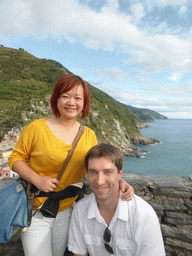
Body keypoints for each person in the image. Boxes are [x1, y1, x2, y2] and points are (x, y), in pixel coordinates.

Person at [8, 74, 134, 256]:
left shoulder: (88, 135)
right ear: (56, 98)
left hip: (67, 210)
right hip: (36, 210)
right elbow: (15, 159)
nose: (71, 103)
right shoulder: (36, 128)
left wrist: (118, 183)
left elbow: (98, 167)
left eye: (78, 98)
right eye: (65, 96)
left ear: (84, 103)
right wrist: (37, 179)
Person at [68, 143, 166, 256]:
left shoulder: (142, 215)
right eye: (93, 172)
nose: (99, 181)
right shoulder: (80, 210)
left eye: (107, 172)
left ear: (119, 174)